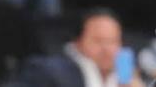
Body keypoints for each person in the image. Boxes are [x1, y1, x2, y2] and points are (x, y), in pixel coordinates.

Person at [14, 8, 143, 87]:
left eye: (113, 41)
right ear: (77, 42)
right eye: (98, 41)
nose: (107, 49)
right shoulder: (49, 70)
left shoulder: (129, 74)